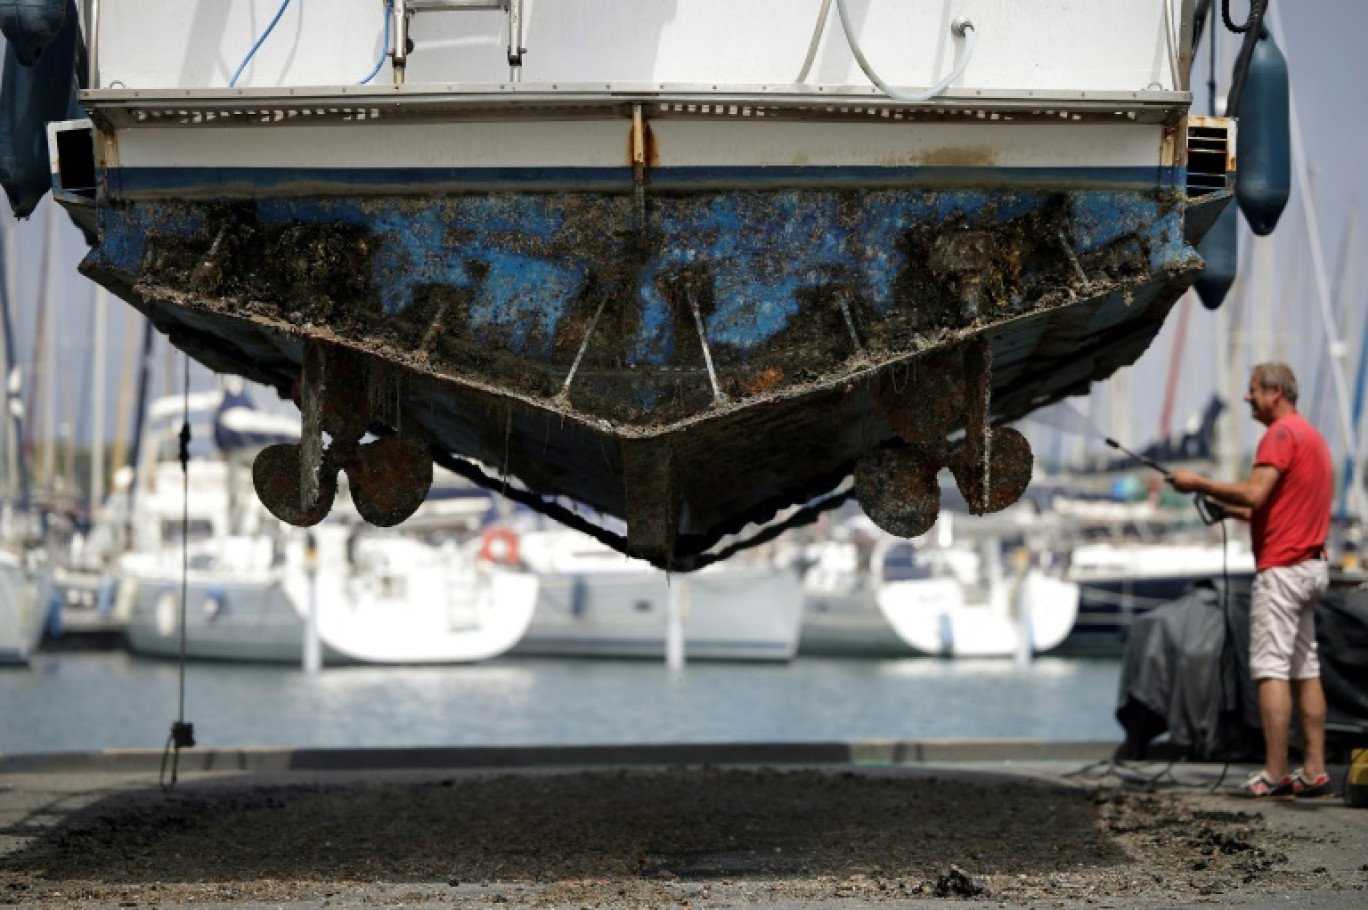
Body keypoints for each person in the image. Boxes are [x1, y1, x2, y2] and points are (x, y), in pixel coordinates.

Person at [1168, 362, 1333, 799]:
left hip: (1281, 571)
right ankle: (1314, 769)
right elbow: (1274, 508)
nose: (1247, 398)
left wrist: (1195, 482)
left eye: (1253, 390)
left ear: (1276, 392)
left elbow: (1256, 493)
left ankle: (1275, 773)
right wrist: (1229, 511)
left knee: (1270, 668)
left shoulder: (1279, 435)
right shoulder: (1313, 438)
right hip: (1313, 567)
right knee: (1305, 666)